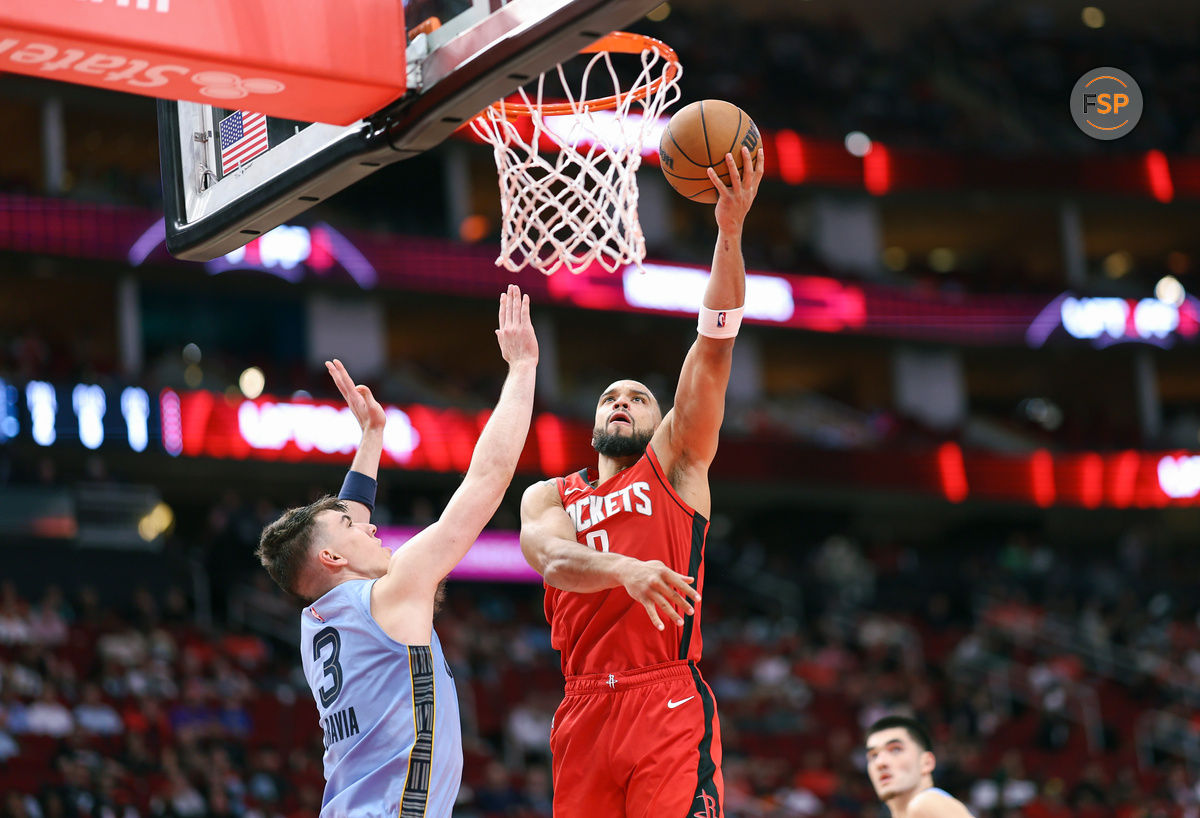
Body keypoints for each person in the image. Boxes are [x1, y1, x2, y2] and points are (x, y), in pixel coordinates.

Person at [518, 146, 765, 818]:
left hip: (665, 696)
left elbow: (714, 347)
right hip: (581, 706)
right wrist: (624, 569)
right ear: (593, 422)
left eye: (637, 397)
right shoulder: (551, 495)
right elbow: (549, 557)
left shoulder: (676, 466)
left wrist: (730, 233)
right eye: (608, 398)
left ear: (662, 422)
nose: (621, 401)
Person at [255, 285, 538, 818]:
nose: (370, 527)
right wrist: (522, 368)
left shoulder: (317, 619)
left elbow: (348, 518)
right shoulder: (393, 592)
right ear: (332, 559)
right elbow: (488, 479)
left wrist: (372, 436)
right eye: (350, 526)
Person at [865, 716, 974, 818]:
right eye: (873, 756)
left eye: (896, 749)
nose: (880, 763)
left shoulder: (925, 802)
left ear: (926, 762)